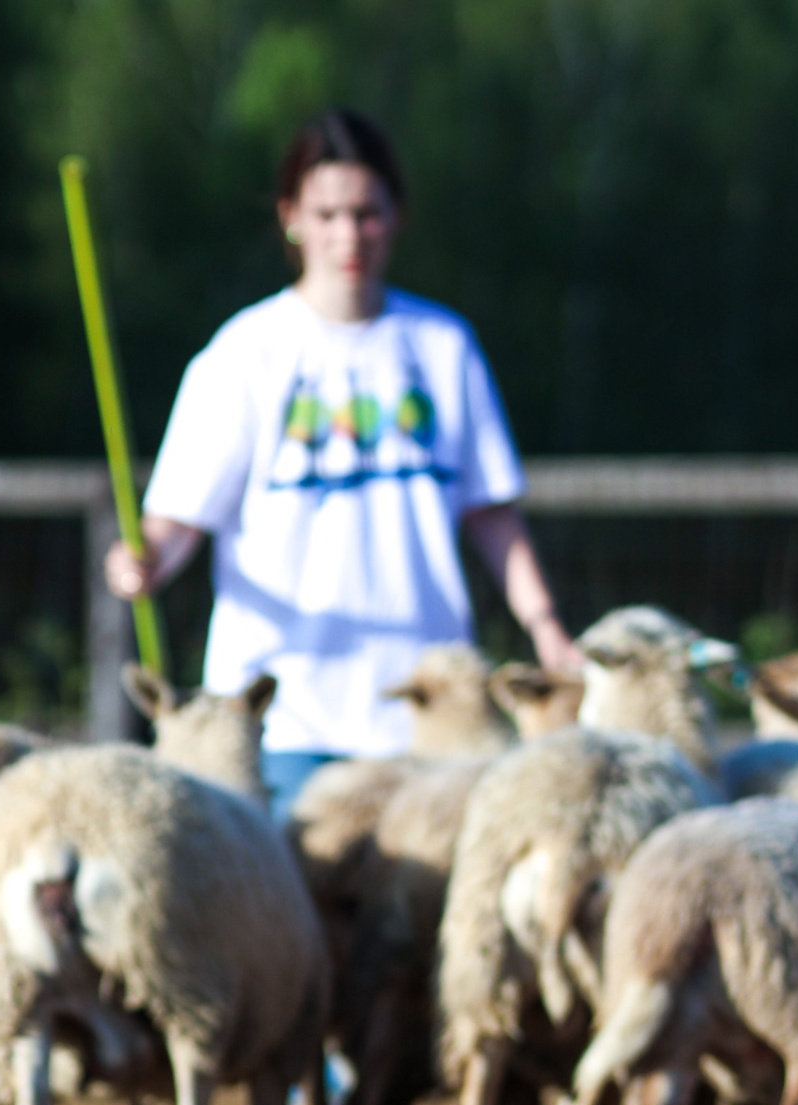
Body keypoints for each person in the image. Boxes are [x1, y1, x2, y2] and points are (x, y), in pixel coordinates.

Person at [106, 109, 578, 806]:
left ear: (397, 216)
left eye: (366, 213)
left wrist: (547, 629)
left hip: (428, 711)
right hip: (280, 709)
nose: (347, 235)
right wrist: (142, 561)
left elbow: (492, 515)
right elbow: (178, 520)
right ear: (291, 216)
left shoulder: (444, 347)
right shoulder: (245, 352)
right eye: (327, 214)